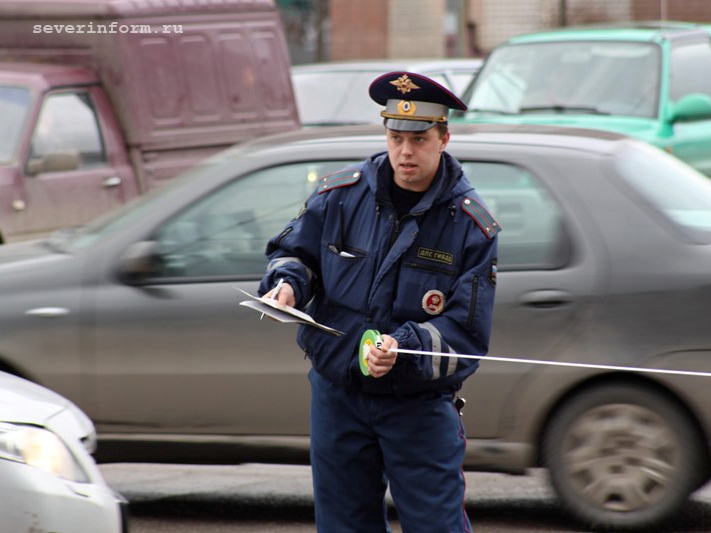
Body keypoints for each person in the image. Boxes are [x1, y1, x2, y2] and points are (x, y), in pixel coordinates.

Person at [258, 71, 500, 532]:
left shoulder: (470, 226)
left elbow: (466, 336)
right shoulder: (339, 196)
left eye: (419, 139)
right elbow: (295, 254)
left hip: (418, 407)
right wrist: (287, 284)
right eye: (396, 138)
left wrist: (402, 347)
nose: (406, 151)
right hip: (338, 396)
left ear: (444, 139)